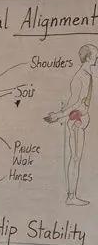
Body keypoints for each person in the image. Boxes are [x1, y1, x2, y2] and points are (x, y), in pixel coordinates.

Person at [44, 42, 98, 206]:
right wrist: (58, 116)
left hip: (80, 119)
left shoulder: (88, 74)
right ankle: (71, 196)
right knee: (75, 158)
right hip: (76, 121)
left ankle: (72, 195)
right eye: (95, 56)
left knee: (77, 158)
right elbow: (74, 103)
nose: (97, 58)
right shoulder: (80, 76)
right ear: (88, 57)